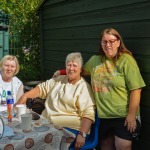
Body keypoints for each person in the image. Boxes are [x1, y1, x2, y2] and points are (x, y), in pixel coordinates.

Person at [53, 28, 146, 150]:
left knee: (123, 146)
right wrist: (62, 71)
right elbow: (80, 71)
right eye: (104, 42)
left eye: (112, 41)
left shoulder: (126, 60)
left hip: (123, 116)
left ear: (118, 42)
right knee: (105, 145)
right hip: (103, 116)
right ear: (101, 44)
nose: (108, 45)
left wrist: (131, 115)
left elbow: (136, 89)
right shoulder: (95, 60)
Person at [16, 52, 96, 150]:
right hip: (46, 124)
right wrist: (25, 96)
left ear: (80, 69)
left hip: (70, 130)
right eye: (68, 65)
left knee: (38, 141)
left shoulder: (83, 88)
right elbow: (42, 88)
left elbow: (88, 114)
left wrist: (82, 134)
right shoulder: (59, 79)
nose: (71, 68)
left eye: (74, 65)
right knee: (23, 134)